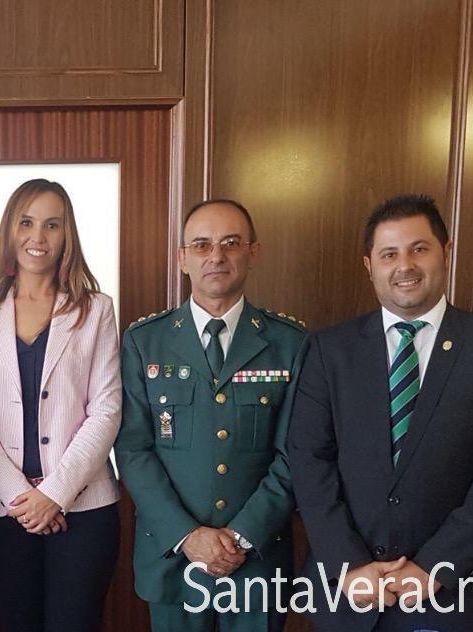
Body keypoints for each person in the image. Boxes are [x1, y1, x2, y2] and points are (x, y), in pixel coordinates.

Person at [288, 194, 473, 631]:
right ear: (370, 265)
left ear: (446, 251)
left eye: (418, 248)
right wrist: (350, 565)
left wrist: (436, 566)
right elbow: (309, 459)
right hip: (348, 593)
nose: (404, 265)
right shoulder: (330, 350)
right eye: (389, 254)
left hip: (454, 592)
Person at [115, 199, 306, 631]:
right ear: (182, 258)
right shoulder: (145, 342)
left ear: (252, 252)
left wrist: (239, 536)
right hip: (173, 557)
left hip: (256, 558)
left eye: (230, 243)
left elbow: (296, 452)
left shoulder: (289, 343)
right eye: (201, 245)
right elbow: (132, 448)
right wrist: (189, 537)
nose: (216, 256)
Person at [0, 179, 121, 631]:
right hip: (2, 510)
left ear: (67, 234)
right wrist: (20, 496)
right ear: (10, 230)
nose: (39, 237)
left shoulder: (96, 310)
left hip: (83, 508)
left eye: (53, 224)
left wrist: (54, 494)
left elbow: (106, 410)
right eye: (27, 222)